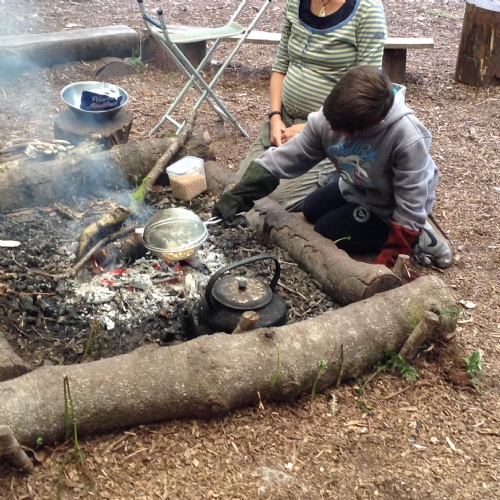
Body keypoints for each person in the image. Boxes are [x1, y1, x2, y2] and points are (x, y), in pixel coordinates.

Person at [213, 65, 453, 269]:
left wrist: (392, 257)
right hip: (356, 185)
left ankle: (422, 237)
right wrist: (242, 192)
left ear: (372, 124)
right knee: (311, 208)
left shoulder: (407, 137)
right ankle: (366, 214)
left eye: (340, 130)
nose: (331, 130)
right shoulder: (329, 119)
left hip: (389, 205)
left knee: (326, 230)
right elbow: (290, 156)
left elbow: (412, 201)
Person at [238, 0, 387, 212]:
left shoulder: (367, 10)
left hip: (330, 132)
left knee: (276, 200)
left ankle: (340, 177)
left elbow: (365, 90)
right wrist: (275, 117)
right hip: (284, 122)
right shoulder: (295, 3)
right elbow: (280, 66)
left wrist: (309, 127)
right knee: (244, 183)